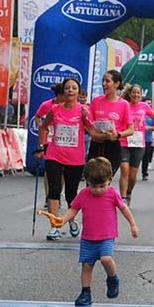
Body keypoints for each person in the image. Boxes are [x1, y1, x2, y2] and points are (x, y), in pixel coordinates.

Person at [49, 157, 139, 306]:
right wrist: (62, 220)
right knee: (86, 265)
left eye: (102, 186)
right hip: (88, 238)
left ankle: (112, 278)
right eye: (93, 186)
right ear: (88, 182)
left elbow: (124, 209)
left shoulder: (112, 194)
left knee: (106, 259)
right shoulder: (84, 194)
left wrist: (133, 225)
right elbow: (73, 209)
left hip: (106, 237)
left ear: (109, 180)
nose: (97, 190)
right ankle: (85, 293)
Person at [39, 78, 107, 240]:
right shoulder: (54, 109)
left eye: (74, 88)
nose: (70, 90)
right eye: (68, 88)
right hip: (54, 155)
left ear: (78, 92)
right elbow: (43, 127)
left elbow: (92, 131)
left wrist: (107, 135)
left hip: (75, 158)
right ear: (63, 91)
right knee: (54, 190)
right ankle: (55, 226)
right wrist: (42, 146)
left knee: (71, 194)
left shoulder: (83, 110)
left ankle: (71, 220)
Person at [119, 84, 154, 206]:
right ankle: (122, 198)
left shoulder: (144, 106)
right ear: (129, 94)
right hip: (124, 142)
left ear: (141, 94)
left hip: (138, 144)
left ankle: (129, 191)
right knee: (124, 170)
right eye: (134, 92)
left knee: (132, 176)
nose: (136, 95)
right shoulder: (123, 105)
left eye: (138, 93)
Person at [87, 70, 132, 175]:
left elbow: (131, 130)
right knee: (92, 180)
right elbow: (90, 127)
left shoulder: (124, 104)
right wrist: (97, 134)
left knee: (105, 181)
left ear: (116, 84)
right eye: (103, 81)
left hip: (113, 146)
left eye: (107, 81)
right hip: (96, 145)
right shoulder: (96, 101)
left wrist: (118, 135)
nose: (104, 84)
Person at [142, 105, 154, 181]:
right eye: (146, 103)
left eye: (150, 104)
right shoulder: (138, 113)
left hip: (147, 140)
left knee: (145, 157)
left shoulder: (151, 116)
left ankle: (144, 173)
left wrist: (147, 128)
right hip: (135, 139)